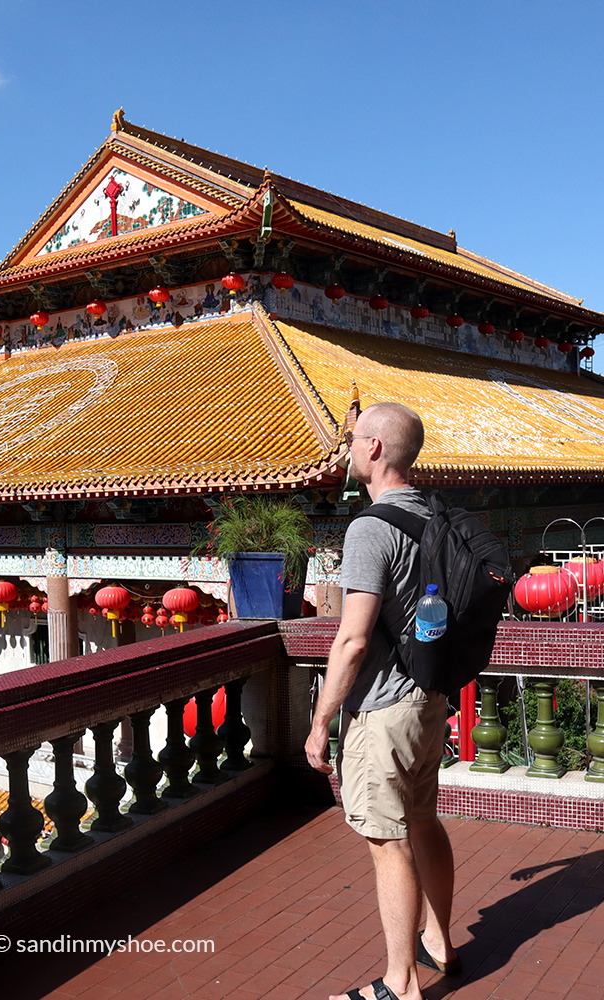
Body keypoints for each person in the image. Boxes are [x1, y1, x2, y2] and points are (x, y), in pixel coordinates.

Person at [304, 402, 460, 1000]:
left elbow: (352, 638)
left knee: (387, 841)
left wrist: (320, 723)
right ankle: (440, 943)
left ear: (372, 449)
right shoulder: (434, 513)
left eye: (350, 439)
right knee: (422, 820)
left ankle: (400, 984)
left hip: (382, 709)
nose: (344, 448)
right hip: (427, 699)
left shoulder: (370, 527)